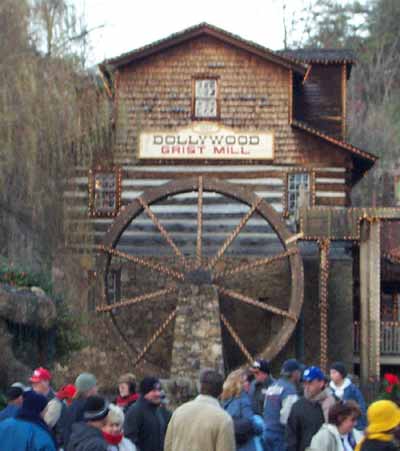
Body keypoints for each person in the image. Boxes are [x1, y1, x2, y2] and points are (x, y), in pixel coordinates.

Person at [164, 368, 236, 451]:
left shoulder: (179, 412)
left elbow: (168, 446)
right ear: (221, 391)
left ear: (199, 386)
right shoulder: (224, 420)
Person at [287, 366, 336, 451]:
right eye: (304, 383)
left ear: (321, 383)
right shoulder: (298, 406)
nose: (306, 386)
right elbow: (291, 436)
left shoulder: (334, 403)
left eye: (310, 382)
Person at [264, 358, 302, 451]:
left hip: (267, 432)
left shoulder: (272, 386)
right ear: (295, 373)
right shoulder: (289, 390)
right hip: (280, 436)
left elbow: (265, 408)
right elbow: (288, 417)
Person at [221, 369, 264, 451]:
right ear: (238, 384)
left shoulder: (225, 401)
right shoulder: (244, 400)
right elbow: (250, 423)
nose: (248, 383)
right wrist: (261, 427)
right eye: (245, 381)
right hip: (247, 445)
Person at [124, 376, 167, 451]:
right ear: (145, 393)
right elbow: (130, 440)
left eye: (159, 390)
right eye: (153, 391)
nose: (157, 394)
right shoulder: (135, 411)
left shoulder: (159, 411)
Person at [63, 372, 98, 447]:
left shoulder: (73, 405)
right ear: (89, 389)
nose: (97, 388)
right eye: (95, 386)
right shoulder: (86, 407)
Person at [329, 362, 367, 430]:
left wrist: (358, 423)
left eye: (334, 372)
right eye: (331, 373)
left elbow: (361, 405)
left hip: (352, 425)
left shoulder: (352, 389)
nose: (332, 375)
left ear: (341, 374)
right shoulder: (329, 390)